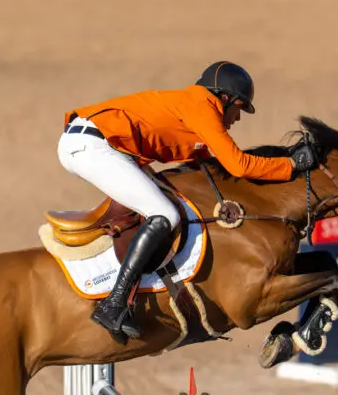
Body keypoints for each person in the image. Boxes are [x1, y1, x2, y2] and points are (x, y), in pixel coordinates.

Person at [57, 60, 318, 342]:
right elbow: (239, 165)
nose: (238, 118)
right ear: (225, 98)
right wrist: (291, 165)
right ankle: (114, 304)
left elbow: (215, 166)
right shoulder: (202, 105)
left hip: (101, 145)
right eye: (239, 108)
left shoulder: (196, 112)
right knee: (164, 215)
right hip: (92, 146)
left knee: (166, 204)